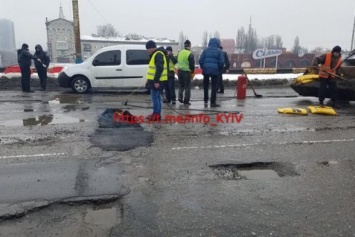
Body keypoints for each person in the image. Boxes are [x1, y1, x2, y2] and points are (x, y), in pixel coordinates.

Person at [145, 40, 168, 121]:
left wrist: (156, 81)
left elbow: (159, 68)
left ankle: (156, 115)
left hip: (158, 81)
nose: (147, 51)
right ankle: (156, 114)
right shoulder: (157, 54)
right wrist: (149, 80)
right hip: (157, 80)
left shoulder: (158, 54)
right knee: (157, 97)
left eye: (147, 49)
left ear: (151, 48)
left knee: (155, 98)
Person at [199, 38, 224, 107]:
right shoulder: (219, 51)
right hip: (215, 70)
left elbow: (200, 60)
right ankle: (213, 102)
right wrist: (219, 69)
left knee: (206, 86)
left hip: (206, 70)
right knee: (214, 86)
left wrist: (203, 67)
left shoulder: (205, 50)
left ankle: (206, 100)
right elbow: (222, 62)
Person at [177, 40, 195, 105]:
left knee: (181, 85)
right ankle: (186, 101)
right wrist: (192, 72)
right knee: (187, 86)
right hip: (187, 72)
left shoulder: (180, 52)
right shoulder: (190, 53)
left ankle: (180, 97)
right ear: (189, 45)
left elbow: (176, 60)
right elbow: (191, 64)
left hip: (179, 71)